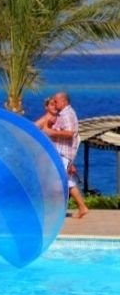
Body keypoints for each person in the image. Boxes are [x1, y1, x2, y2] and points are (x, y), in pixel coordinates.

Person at [43, 91, 89, 219]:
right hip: (60, 153)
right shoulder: (62, 114)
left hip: (64, 153)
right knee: (68, 181)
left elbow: (70, 133)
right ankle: (82, 207)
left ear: (64, 101)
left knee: (56, 181)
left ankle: (55, 209)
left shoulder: (67, 114)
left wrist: (51, 132)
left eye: (56, 101)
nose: (54, 103)